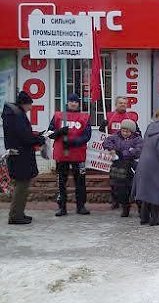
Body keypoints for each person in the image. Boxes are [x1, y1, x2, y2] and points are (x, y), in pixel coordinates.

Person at [2, 91, 46, 225]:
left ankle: (19, 213)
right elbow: (24, 136)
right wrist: (39, 139)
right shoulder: (17, 116)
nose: (31, 108)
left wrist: (37, 137)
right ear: (24, 104)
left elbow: (23, 134)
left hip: (19, 155)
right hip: (20, 156)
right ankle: (15, 215)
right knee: (21, 186)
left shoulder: (14, 115)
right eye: (30, 105)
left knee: (22, 186)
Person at [48, 93, 92, 216]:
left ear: (79, 103)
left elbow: (87, 135)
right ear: (67, 102)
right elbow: (50, 133)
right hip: (62, 154)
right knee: (62, 181)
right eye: (71, 101)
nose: (73, 103)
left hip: (78, 155)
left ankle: (81, 206)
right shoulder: (58, 116)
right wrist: (59, 132)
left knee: (80, 181)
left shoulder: (84, 117)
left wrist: (73, 142)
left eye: (76, 101)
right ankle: (62, 207)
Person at [102, 119, 143, 217]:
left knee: (136, 189)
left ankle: (141, 209)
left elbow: (138, 151)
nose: (125, 133)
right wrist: (112, 149)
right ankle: (125, 208)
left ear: (132, 131)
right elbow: (106, 143)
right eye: (123, 130)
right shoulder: (115, 137)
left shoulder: (138, 139)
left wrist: (122, 152)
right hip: (119, 167)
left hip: (132, 167)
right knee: (121, 189)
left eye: (127, 131)